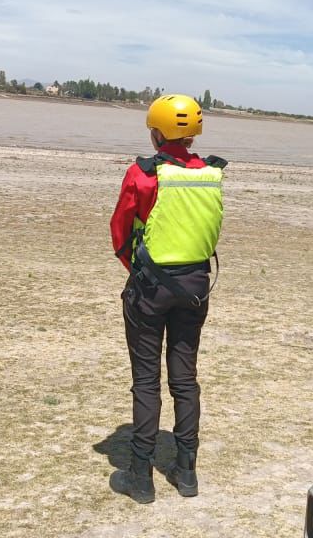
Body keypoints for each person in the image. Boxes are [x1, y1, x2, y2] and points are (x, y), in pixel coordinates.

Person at [108, 94, 227, 504]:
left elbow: (120, 234)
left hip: (150, 288)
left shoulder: (144, 174)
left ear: (156, 131)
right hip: (196, 287)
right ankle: (186, 472)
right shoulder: (212, 174)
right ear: (193, 133)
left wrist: (140, 273)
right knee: (184, 377)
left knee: (146, 381)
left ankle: (141, 477)